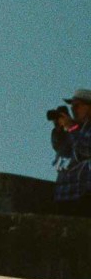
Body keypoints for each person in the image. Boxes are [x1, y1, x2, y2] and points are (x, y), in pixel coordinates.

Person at [51, 88, 91, 216]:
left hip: (84, 194)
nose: (73, 110)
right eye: (72, 106)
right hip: (65, 195)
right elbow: (61, 150)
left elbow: (85, 150)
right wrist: (59, 130)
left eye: (77, 106)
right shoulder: (76, 129)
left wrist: (71, 127)